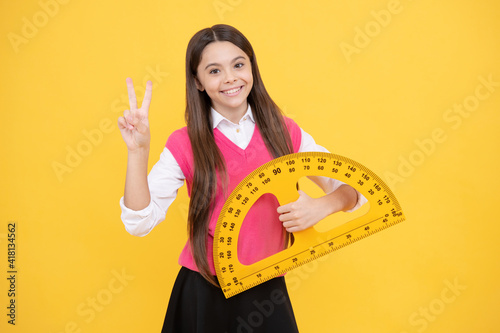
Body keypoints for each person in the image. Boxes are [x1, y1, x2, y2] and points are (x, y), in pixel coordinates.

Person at [118, 24, 366, 333]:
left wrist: (324, 205)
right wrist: (138, 152)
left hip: (267, 290)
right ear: (197, 81)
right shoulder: (184, 143)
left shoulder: (284, 132)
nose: (231, 78)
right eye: (214, 71)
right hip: (204, 292)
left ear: (252, 68)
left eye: (238, 65)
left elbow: (357, 190)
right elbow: (139, 222)